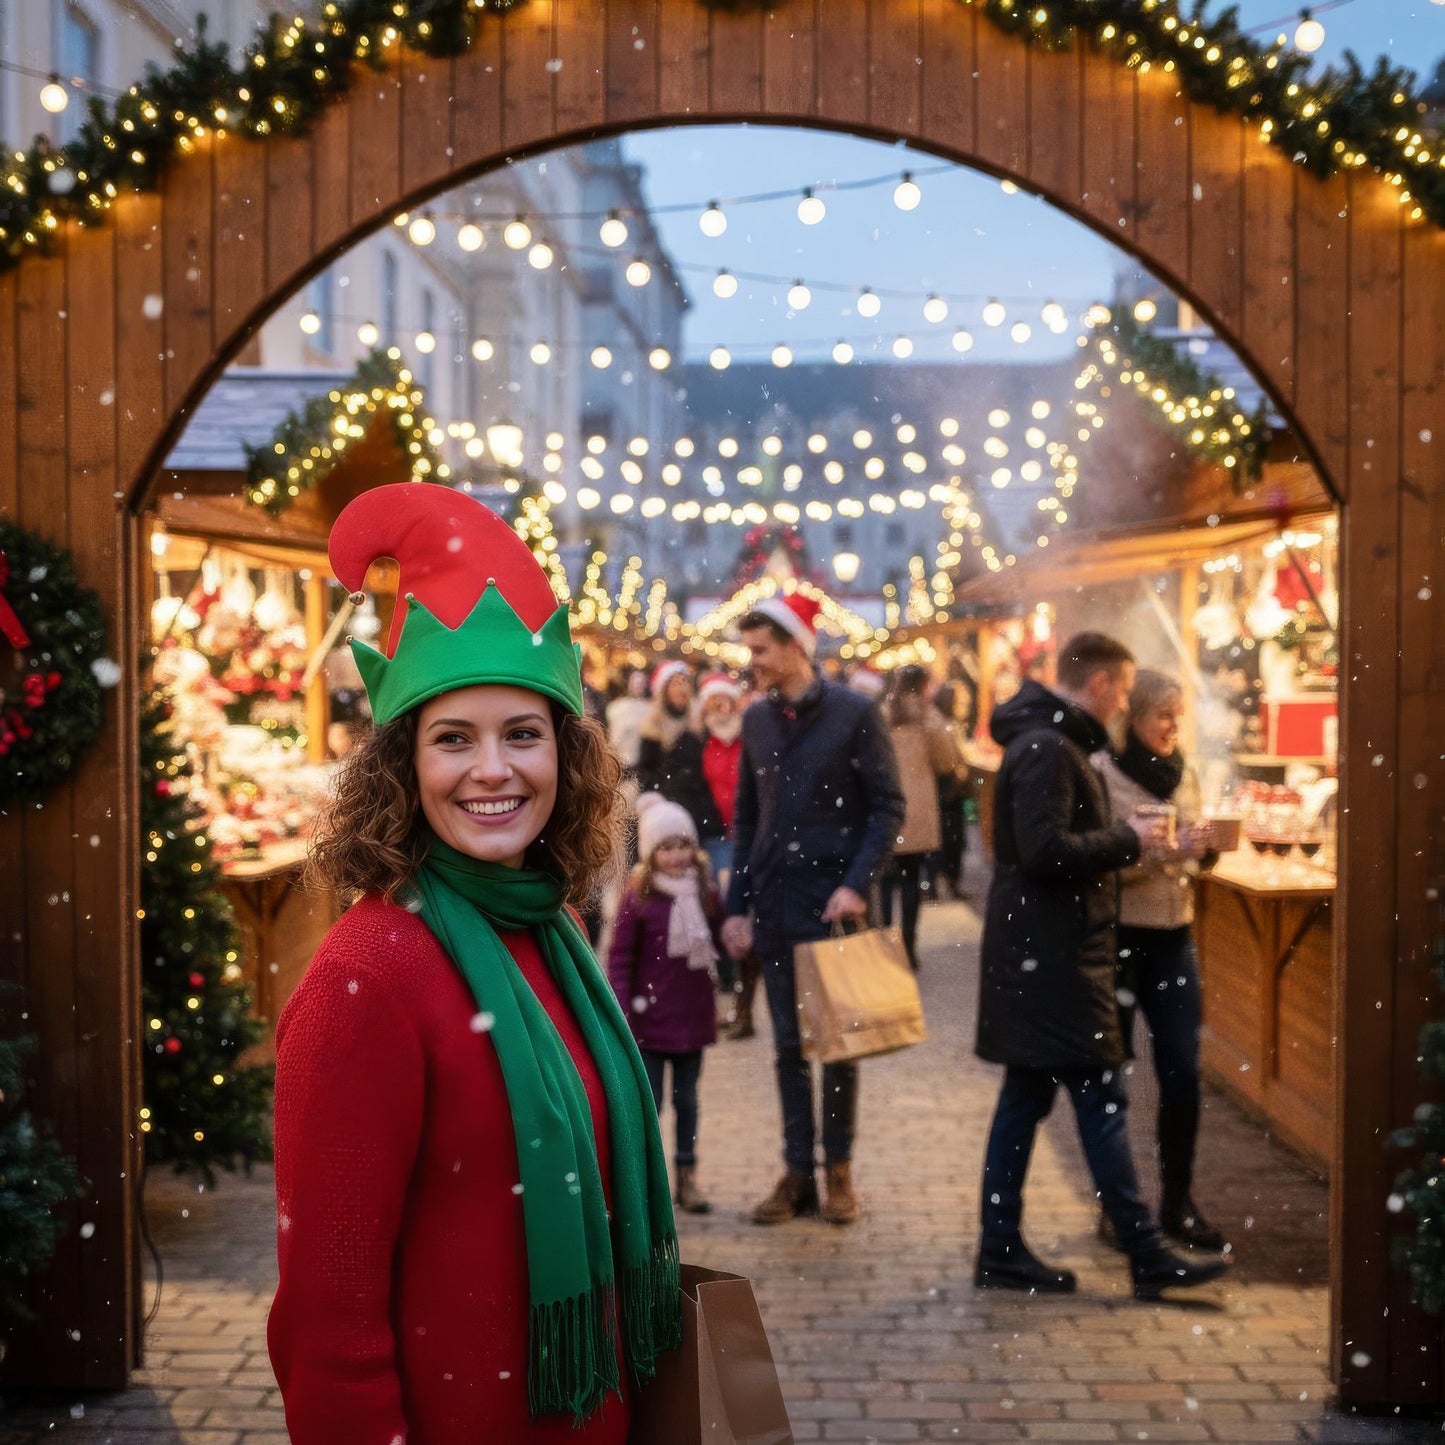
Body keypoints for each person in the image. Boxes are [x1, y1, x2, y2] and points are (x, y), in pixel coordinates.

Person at [268, 484, 680, 1443]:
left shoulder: (552, 929)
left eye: (522, 734)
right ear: (402, 768)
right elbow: (328, 1322)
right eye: (454, 738)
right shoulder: (365, 975)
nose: (492, 770)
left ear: (566, 757)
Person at [973, 631, 1229, 1300]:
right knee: (1096, 1098)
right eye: (1121, 687)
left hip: (1047, 955)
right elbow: (1039, 849)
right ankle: (1142, 1250)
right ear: (1100, 684)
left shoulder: (1048, 741)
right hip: (1053, 959)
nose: (1122, 702)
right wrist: (1129, 838)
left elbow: (1038, 848)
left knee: (1030, 1098)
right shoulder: (1048, 747)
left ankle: (1004, 1245)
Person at [721, 591, 905, 1227]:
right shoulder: (756, 720)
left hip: (835, 908)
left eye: (761, 651)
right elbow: (747, 818)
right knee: (789, 1049)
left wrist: (857, 882)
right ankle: (797, 1172)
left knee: (839, 1046)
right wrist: (735, 904)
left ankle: (839, 1174)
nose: (753, 663)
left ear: (797, 646)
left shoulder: (856, 713)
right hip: (775, 903)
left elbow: (888, 807)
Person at [1094, 668, 1227, 1251]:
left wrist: (1204, 851)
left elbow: (1193, 856)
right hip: (1121, 939)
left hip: (1175, 937)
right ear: (1133, 719)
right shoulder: (1103, 775)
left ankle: (1178, 1202)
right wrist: (1152, 855)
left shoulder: (1184, 772)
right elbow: (1094, 865)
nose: (1173, 726)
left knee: (1181, 1072)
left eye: (1178, 715)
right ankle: (1116, 1206)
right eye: (1161, 715)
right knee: (1111, 1077)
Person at [608, 792, 723, 1216]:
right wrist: (622, 1007)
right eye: (666, 848)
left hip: (692, 1018)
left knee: (688, 1101)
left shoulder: (706, 893)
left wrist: (735, 938)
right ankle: (646, 1181)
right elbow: (619, 959)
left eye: (682, 846)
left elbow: (722, 938)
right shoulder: (638, 899)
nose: (676, 856)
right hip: (648, 1021)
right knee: (650, 1104)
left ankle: (687, 1176)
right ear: (651, 854)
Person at [878, 664, 958, 970]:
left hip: (887, 807)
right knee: (911, 880)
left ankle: (886, 944)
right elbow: (946, 760)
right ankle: (909, 948)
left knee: (886, 881)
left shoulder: (883, 713)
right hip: (917, 810)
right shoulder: (929, 717)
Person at [695, 671, 757, 1035]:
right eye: (713, 703)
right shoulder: (698, 740)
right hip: (713, 836)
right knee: (716, 905)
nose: (720, 709)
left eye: (726, 702)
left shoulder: (749, 738)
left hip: (744, 836)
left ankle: (741, 992)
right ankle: (723, 977)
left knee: (740, 906)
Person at [636, 660, 721, 845]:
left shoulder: (699, 725)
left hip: (702, 813)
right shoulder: (652, 728)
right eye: (676, 683)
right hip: (670, 813)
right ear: (664, 690)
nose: (682, 689)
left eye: (685, 682)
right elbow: (646, 772)